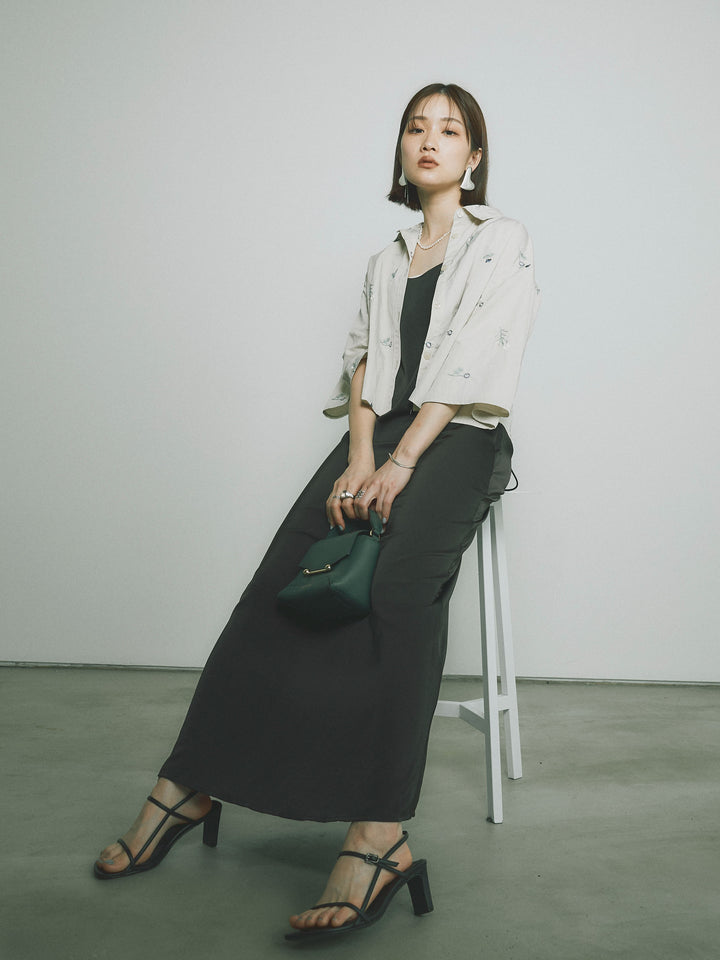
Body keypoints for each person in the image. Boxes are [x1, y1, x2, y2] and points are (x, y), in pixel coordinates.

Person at [93, 82, 540, 942]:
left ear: (474, 157)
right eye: (417, 127)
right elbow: (363, 365)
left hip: (460, 438)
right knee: (280, 584)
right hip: (383, 439)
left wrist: (404, 463)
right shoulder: (387, 258)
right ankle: (185, 787)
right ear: (401, 150)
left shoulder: (501, 241)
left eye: (450, 130)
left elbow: (473, 362)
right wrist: (364, 457)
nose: (431, 140)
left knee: (398, 595)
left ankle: (378, 836)